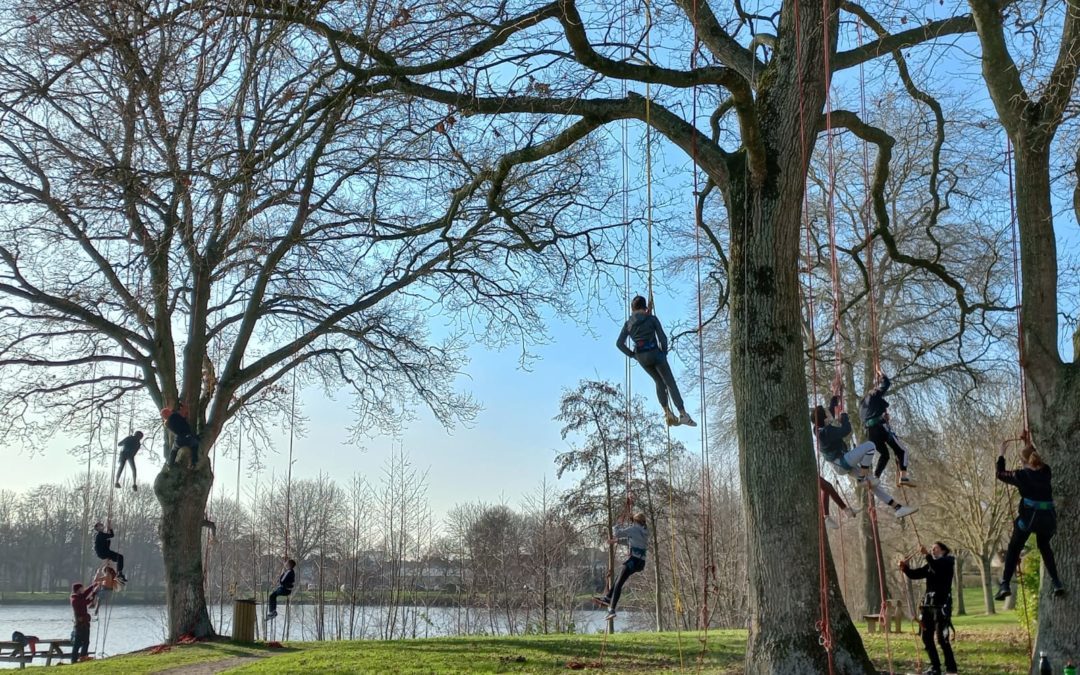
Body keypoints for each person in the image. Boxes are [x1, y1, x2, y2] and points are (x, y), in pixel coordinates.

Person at [813, 398, 917, 519]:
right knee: (870, 446)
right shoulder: (826, 432)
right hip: (842, 462)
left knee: (873, 485)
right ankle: (862, 478)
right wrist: (844, 416)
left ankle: (897, 508)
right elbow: (846, 430)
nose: (830, 414)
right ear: (824, 418)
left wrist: (834, 399)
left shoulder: (818, 428)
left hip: (841, 464)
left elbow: (828, 413)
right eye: (827, 414)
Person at [995, 437, 1064, 600]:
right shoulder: (1046, 471)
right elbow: (1036, 464)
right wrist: (1028, 443)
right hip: (1048, 519)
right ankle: (1056, 582)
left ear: (1022, 460)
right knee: (1044, 547)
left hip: (1029, 520)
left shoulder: (1021, 475)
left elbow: (1000, 474)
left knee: (1013, 548)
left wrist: (1001, 454)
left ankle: (1005, 583)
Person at [616, 295, 696, 427]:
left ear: (632, 309)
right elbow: (662, 338)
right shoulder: (651, 319)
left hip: (641, 357)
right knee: (669, 382)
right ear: (644, 307)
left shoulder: (628, 324)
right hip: (655, 353)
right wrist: (663, 352)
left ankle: (667, 413)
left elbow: (619, 343)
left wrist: (632, 355)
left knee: (658, 381)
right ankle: (682, 414)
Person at [900, 542, 958, 675]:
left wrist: (926, 555)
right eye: (931, 549)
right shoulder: (931, 564)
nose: (932, 550)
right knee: (926, 637)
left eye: (935, 548)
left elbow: (937, 568)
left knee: (942, 639)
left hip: (941, 607)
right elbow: (916, 574)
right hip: (928, 606)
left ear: (943, 550)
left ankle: (951, 669)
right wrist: (905, 569)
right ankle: (935, 667)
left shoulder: (947, 562)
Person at [859, 371, 915, 486]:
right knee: (902, 451)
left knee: (885, 455)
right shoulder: (873, 394)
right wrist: (882, 374)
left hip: (870, 432)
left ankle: (876, 477)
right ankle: (903, 477)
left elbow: (870, 416)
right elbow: (886, 384)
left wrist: (882, 418)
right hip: (880, 429)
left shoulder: (862, 404)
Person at [594, 512, 648, 621]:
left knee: (619, 583)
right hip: (641, 562)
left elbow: (618, 533)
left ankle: (612, 610)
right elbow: (630, 541)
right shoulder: (645, 530)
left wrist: (617, 524)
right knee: (619, 577)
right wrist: (616, 541)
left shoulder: (634, 529)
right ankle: (608, 597)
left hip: (633, 560)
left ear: (635, 521)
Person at [162, 403, 200, 467]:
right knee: (195, 445)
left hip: (179, 439)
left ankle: (170, 464)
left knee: (174, 450)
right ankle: (194, 462)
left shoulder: (167, 423)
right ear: (168, 413)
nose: (171, 411)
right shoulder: (175, 416)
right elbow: (182, 413)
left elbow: (182, 417)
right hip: (187, 437)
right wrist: (183, 406)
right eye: (169, 411)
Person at [69, 581, 97, 663]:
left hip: (84, 624)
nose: (83, 590)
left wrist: (93, 586)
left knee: (85, 642)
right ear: (78, 590)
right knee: (78, 643)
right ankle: (77, 659)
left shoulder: (79, 596)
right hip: (80, 625)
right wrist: (92, 597)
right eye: (81, 588)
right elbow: (85, 602)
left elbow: (86, 593)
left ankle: (81, 657)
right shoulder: (74, 599)